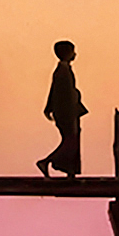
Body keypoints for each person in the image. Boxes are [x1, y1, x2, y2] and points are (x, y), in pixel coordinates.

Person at [35, 39, 84, 178]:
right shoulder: (62, 71)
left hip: (68, 111)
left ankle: (70, 171)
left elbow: (53, 91)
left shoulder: (63, 70)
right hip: (66, 112)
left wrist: (48, 107)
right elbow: (59, 93)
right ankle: (47, 161)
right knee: (70, 140)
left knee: (71, 140)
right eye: (73, 51)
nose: (75, 54)